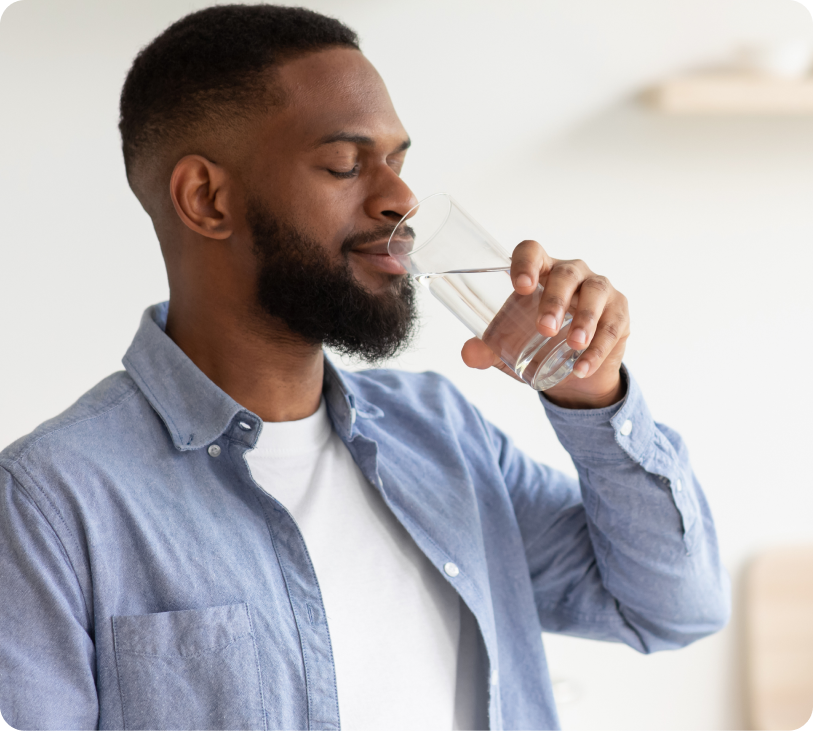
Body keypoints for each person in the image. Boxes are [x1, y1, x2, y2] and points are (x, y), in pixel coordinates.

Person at [0, 5, 730, 731]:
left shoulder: (441, 433)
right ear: (206, 198)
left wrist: (587, 396)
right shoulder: (51, 502)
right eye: (345, 165)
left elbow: (671, 608)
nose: (400, 199)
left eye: (398, 162)